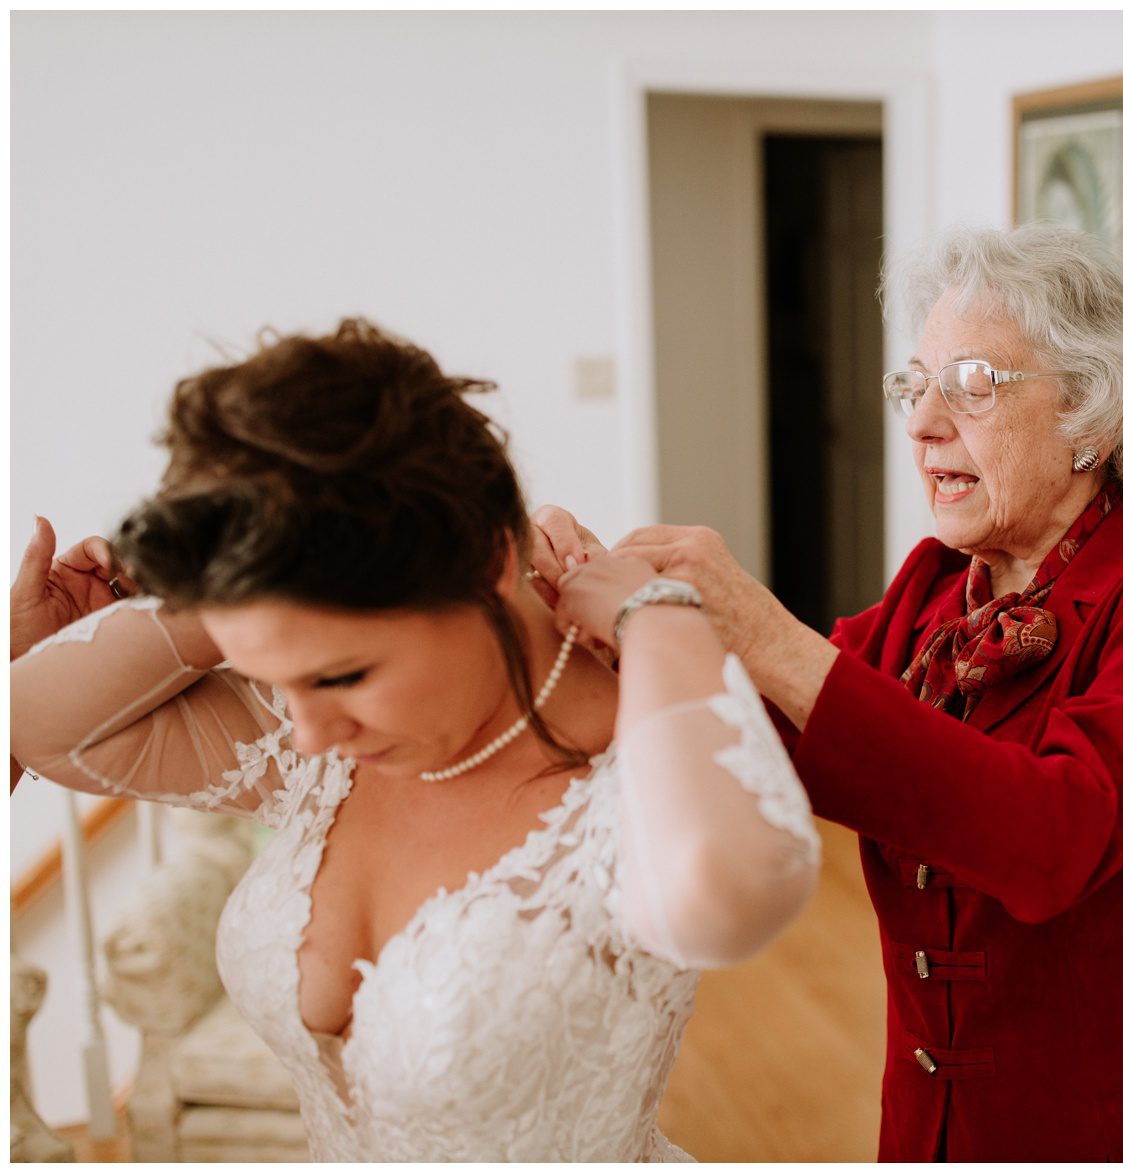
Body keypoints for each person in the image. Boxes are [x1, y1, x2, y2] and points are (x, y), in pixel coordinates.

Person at [538, 222, 1123, 1160]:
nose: (922, 422)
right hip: (937, 1131)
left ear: (1093, 418)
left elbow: (1052, 836)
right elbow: (756, 736)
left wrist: (760, 625)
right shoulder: (935, 591)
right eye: (914, 384)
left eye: (972, 384)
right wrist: (575, 613)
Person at [9, 319, 819, 1161]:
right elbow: (32, 722)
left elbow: (734, 893)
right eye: (276, 674)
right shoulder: (317, 741)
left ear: (487, 560)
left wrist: (654, 610)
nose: (313, 730)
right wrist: (235, 585)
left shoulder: (634, 753)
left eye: (343, 674)